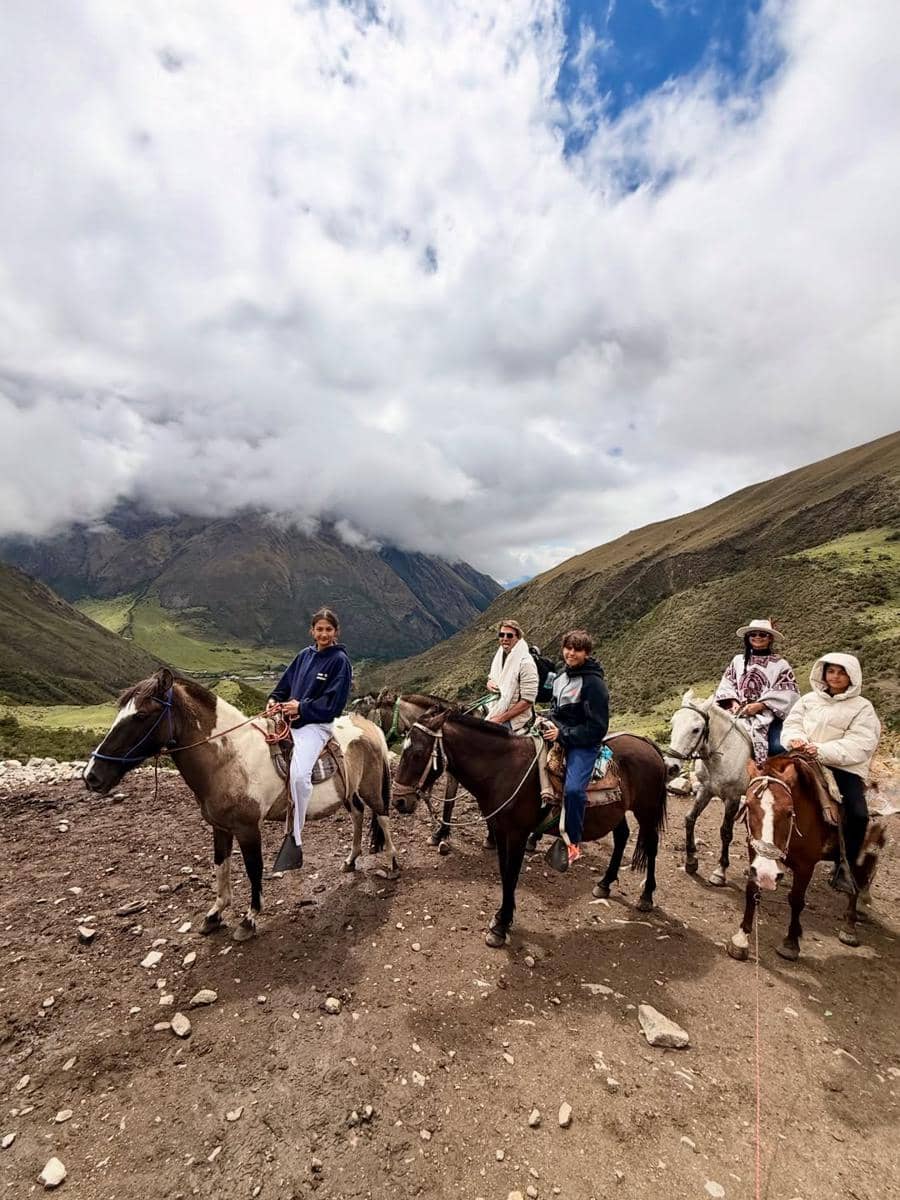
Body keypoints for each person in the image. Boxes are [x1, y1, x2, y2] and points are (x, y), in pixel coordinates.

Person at [781, 653, 882, 894]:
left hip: (841, 767)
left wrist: (822, 750)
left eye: (841, 672)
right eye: (831, 671)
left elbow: (862, 743)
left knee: (858, 814)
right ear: (823, 674)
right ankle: (770, 850)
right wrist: (797, 740)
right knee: (770, 791)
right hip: (803, 758)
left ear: (852, 676)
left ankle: (844, 866)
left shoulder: (862, 708)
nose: (835, 677)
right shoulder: (808, 700)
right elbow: (792, 723)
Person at [266, 606, 353, 869]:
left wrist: (301, 708)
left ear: (335, 632)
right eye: (319, 629)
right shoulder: (304, 655)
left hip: (315, 726)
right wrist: (273, 700)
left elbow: (334, 705)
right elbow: (283, 686)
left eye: (328, 629)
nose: (323, 634)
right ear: (312, 631)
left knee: (300, 775)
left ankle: (296, 835)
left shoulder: (340, 662)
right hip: (288, 721)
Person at [542, 629, 609, 866]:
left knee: (572, 791)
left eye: (577, 650)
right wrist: (549, 721)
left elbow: (598, 727)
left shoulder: (594, 684)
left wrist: (563, 735)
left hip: (583, 743)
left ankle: (573, 842)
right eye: (568, 648)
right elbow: (555, 707)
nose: (571, 653)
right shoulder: (561, 676)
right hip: (556, 733)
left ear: (586, 653)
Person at [715, 618, 799, 765]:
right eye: (753, 634)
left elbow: (789, 693)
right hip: (738, 714)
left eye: (762, 635)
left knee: (777, 747)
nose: (757, 637)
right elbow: (727, 683)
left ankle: (778, 781)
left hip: (768, 716)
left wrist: (761, 706)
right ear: (748, 638)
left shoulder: (780, 665)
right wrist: (733, 702)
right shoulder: (738, 661)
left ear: (770, 638)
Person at [486, 619, 539, 732]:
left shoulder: (526, 663)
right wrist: (489, 683)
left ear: (518, 637)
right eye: (502, 634)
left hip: (515, 718)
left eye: (509, 635)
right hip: (496, 707)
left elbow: (527, 701)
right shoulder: (500, 656)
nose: (505, 638)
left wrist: (499, 719)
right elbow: (492, 677)